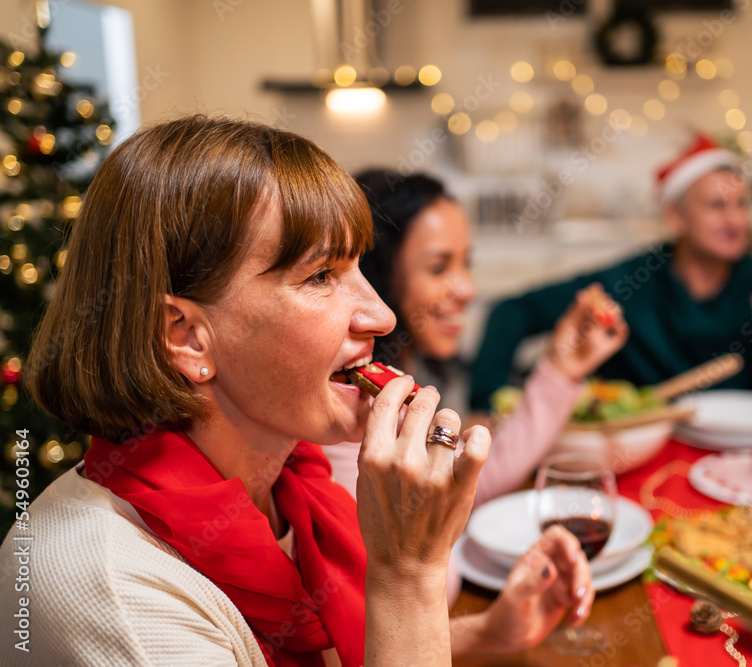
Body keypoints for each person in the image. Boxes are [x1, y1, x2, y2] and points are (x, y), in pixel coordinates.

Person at [0, 116, 594, 667]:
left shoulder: (295, 486)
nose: (382, 316)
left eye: (360, 268)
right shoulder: (116, 593)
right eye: (320, 277)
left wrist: (487, 634)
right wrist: (409, 572)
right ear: (185, 337)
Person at [323, 170, 629, 511]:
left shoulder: (400, 374)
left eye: (465, 264)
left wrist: (564, 364)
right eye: (439, 268)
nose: (468, 290)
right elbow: (429, 514)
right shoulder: (349, 403)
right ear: (374, 274)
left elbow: (456, 489)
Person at [470, 133, 752, 412]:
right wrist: (484, 405)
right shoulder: (630, 282)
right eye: (717, 206)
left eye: (742, 205)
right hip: (638, 454)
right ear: (675, 216)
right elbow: (511, 311)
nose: (736, 220)